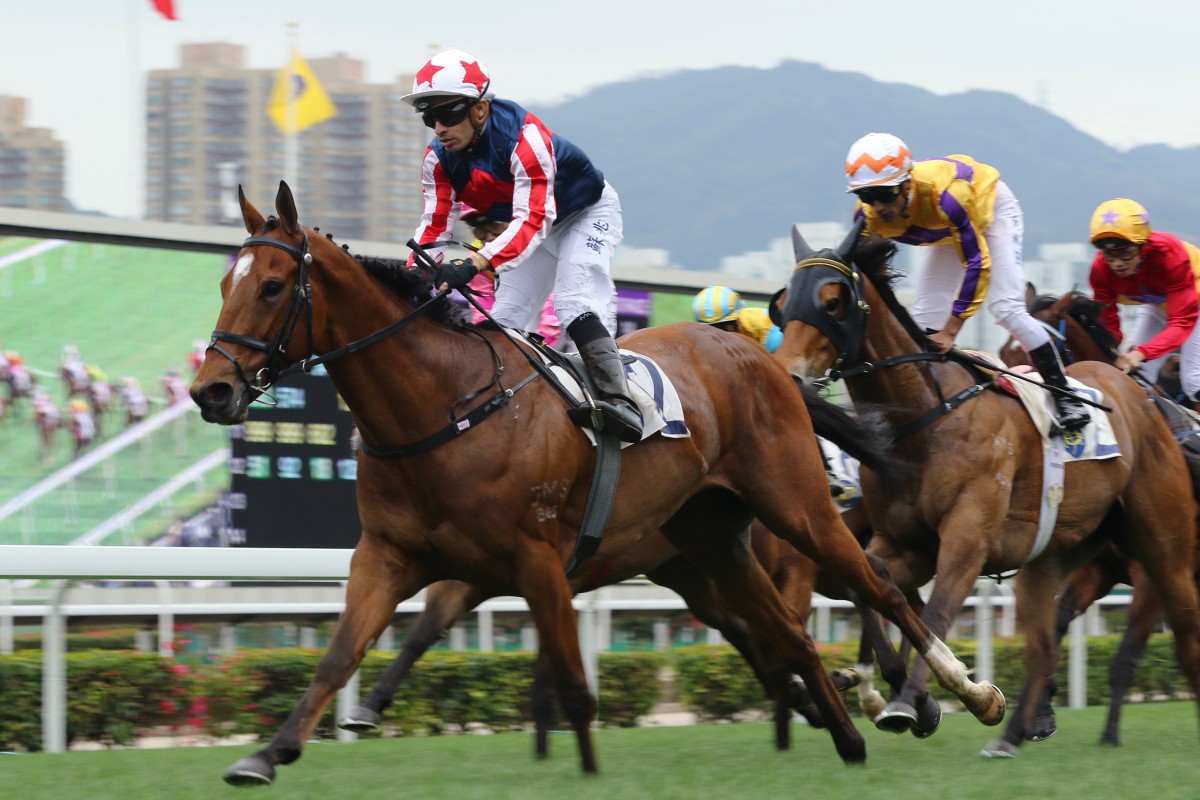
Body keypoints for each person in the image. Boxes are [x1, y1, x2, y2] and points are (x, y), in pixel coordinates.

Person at [402, 48, 641, 442]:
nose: (439, 128)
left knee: (573, 302)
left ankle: (621, 402)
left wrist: (474, 263)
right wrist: (413, 277)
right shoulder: (437, 159)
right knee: (504, 320)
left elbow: (533, 221)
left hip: (585, 214)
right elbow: (434, 225)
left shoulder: (525, 139)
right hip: (536, 226)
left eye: (448, 114)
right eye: (430, 118)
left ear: (479, 109)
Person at [844, 132, 1088, 431]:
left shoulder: (948, 198)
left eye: (885, 194)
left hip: (989, 210)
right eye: (867, 196)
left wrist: (951, 330)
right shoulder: (866, 218)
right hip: (944, 229)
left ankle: (1065, 395)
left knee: (1006, 309)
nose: (878, 206)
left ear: (907, 183)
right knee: (923, 322)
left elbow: (977, 263)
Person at [693, 285, 861, 509]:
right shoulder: (703, 341)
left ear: (738, 320)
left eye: (724, 327)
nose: (718, 334)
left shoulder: (768, 331)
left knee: (797, 407)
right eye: (712, 328)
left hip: (776, 357)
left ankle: (827, 472)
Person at [1087, 198, 1200, 403]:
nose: (1117, 264)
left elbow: (1182, 322)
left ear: (1143, 245)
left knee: (1194, 380)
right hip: (1158, 304)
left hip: (1195, 302)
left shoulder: (1168, 253)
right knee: (1136, 377)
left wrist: (1141, 353)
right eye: (1109, 255)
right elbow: (1108, 323)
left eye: (1125, 252)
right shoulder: (1099, 270)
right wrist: (1114, 354)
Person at [458, 205, 562, 347]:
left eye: (494, 226)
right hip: (517, 317)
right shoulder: (477, 254)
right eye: (480, 231)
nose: (488, 237)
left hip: (557, 318)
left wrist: (542, 344)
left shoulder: (539, 241)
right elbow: (483, 304)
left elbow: (555, 304)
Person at [692, 286, 783, 352]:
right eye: (710, 329)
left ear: (738, 318)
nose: (718, 335)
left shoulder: (772, 334)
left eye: (723, 327)